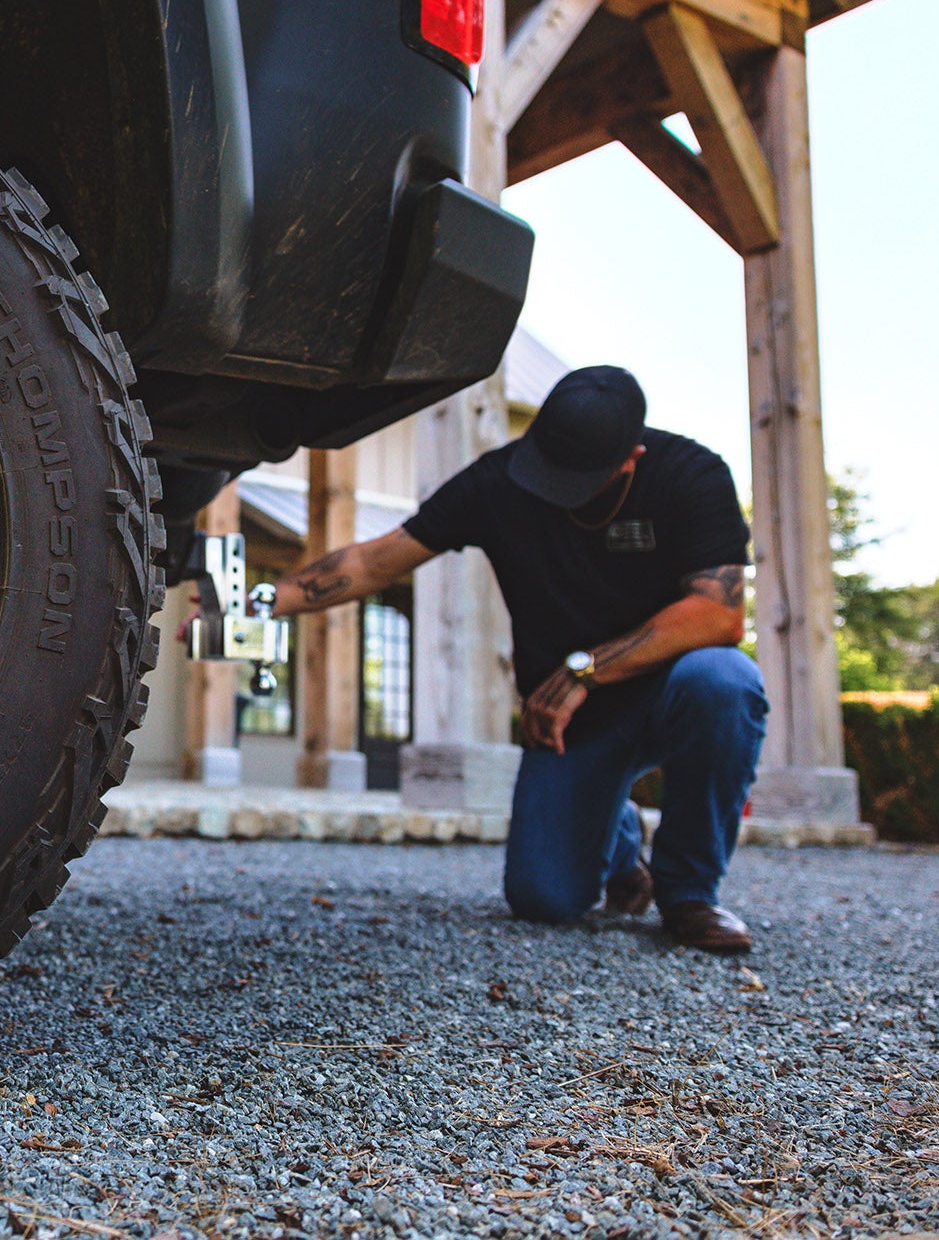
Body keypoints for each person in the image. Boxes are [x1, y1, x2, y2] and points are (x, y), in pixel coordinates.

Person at [260, 365, 766, 953]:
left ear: (630, 459)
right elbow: (376, 561)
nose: (550, 490)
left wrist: (584, 669)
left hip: (667, 694)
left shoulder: (689, 475)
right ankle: (617, 836)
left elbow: (718, 614)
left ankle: (689, 895)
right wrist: (259, 600)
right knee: (543, 899)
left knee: (727, 681)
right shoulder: (501, 480)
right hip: (571, 726)